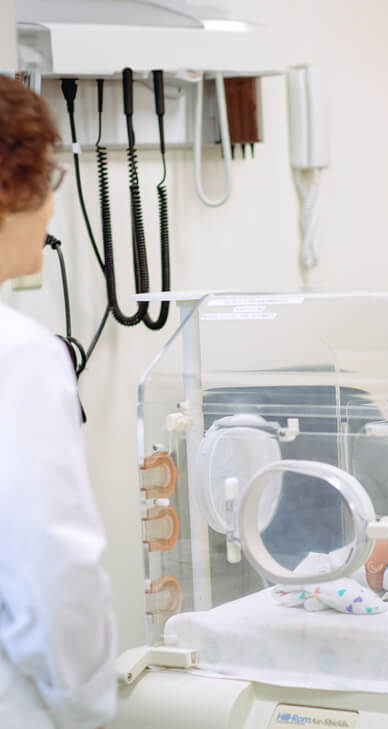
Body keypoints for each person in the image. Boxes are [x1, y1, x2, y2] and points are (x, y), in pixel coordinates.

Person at [0, 75, 116, 728]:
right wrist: (90, 704)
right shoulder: (16, 354)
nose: (49, 213)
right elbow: (53, 571)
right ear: (12, 185)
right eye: (48, 183)